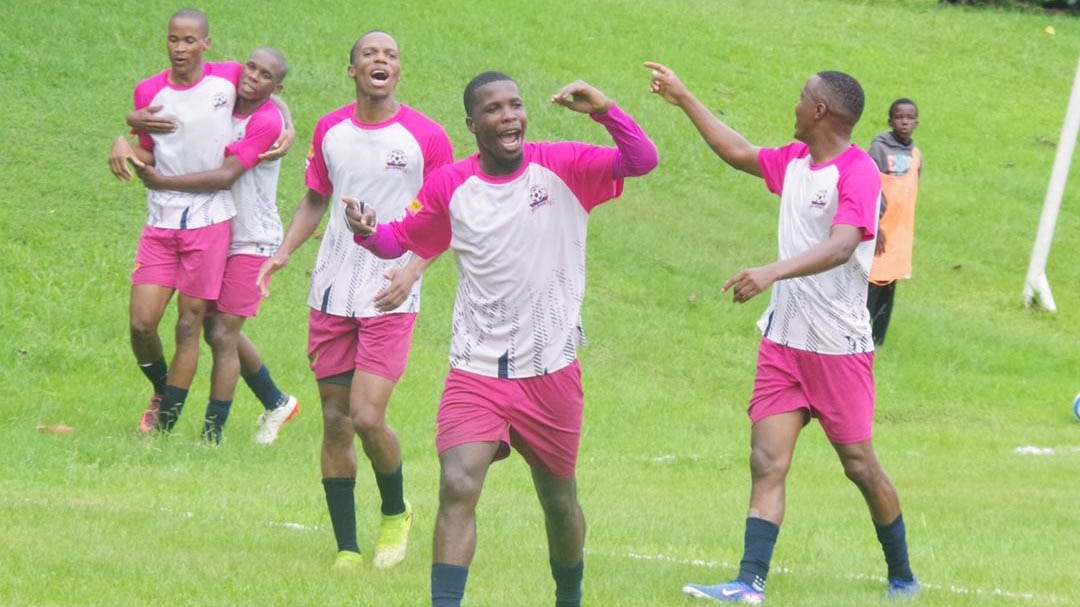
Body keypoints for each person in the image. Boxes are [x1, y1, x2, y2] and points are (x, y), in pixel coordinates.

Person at [346, 71, 657, 607]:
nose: (508, 116)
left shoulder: (565, 166)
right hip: (476, 368)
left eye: (515, 106)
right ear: (473, 124)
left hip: (552, 370)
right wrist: (366, 229)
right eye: (493, 110)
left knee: (558, 498)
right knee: (458, 483)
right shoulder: (450, 186)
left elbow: (642, 160)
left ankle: (569, 597)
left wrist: (604, 109)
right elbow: (399, 241)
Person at [644, 62, 918, 602]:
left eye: (801, 97)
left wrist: (771, 271)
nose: (794, 103)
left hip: (838, 350)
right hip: (784, 345)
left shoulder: (858, 171)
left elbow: (843, 244)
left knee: (860, 467)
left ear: (820, 111)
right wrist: (684, 97)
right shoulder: (794, 161)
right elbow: (737, 151)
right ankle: (749, 583)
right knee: (767, 461)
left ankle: (903, 577)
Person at [255, 30, 453, 570]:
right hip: (330, 293)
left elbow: (445, 216)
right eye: (370, 54)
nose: (380, 60)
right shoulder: (330, 130)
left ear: (399, 69)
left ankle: (395, 511)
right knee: (336, 422)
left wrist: (413, 271)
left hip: (390, 293)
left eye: (390, 53)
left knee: (368, 417)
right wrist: (282, 253)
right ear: (353, 71)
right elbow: (316, 198)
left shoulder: (426, 137)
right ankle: (346, 546)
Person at [124, 47, 300, 445]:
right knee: (210, 326)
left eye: (264, 75)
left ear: (276, 86)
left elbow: (225, 176)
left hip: (250, 236)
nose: (253, 76)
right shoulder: (222, 100)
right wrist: (132, 121)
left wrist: (162, 182)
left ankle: (211, 436)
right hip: (213, 227)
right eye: (250, 68)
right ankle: (277, 400)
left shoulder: (267, 118)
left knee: (221, 332)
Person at [867, 99, 922, 346]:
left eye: (910, 118)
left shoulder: (915, 155)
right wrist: (874, 225)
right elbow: (869, 188)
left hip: (900, 232)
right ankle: (859, 336)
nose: (905, 122)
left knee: (890, 284)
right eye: (900, 117)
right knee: (872, 283)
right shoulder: (879, 150)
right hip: (880, 229)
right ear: (890, 121)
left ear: (916, 123)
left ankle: (878, 339)